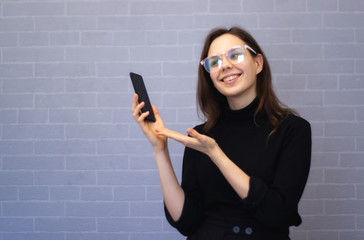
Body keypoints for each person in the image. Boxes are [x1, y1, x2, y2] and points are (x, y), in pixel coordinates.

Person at [131, 26, 311, 240]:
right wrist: (160, 150)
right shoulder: (200, 136)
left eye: (235, 55)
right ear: (210, 76)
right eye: (214, 62)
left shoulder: (293, 130)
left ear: (258, 63)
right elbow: (186, 221)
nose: (224, 65)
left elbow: (275, 213)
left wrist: (216, 154)